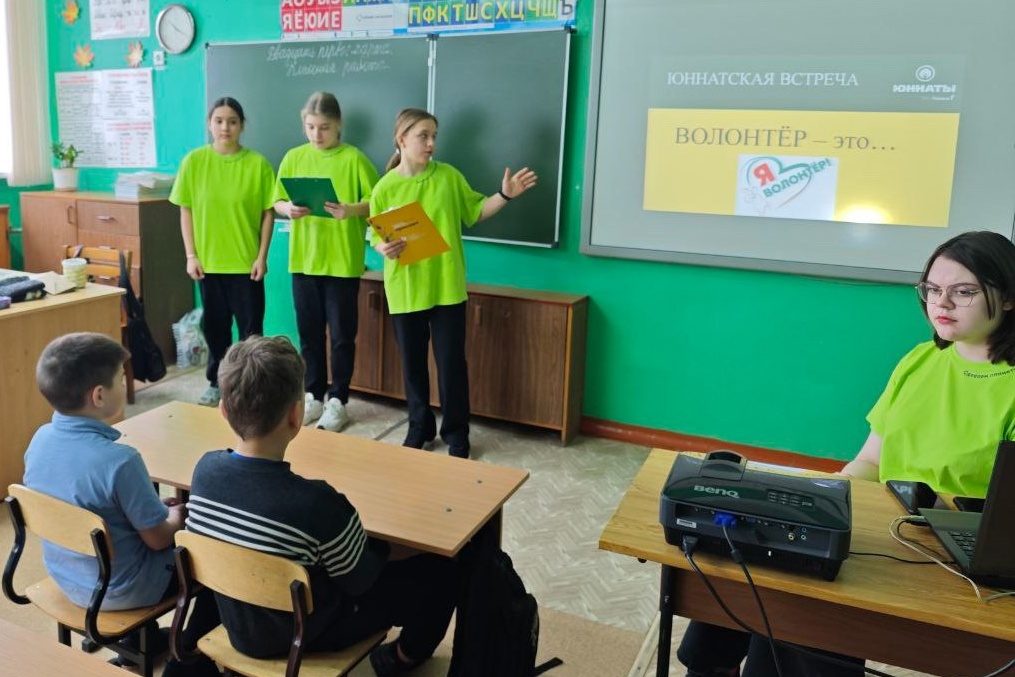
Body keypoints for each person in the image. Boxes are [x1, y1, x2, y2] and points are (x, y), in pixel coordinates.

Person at [678, 230, 1015, 677]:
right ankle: (707, 667)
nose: (942, 303)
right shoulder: (921, 360)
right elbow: (871, 461)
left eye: (963, 292)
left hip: (950, 556)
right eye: (933, 289)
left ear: (1008, 297)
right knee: (760, 551)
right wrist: (817, 501)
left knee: (799, 603)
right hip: (889, 527)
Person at [185, 335, 458, 676]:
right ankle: (402, 658)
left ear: (224, 411)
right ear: (296, 415)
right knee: (442, 569)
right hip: (305, 634)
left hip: (238, 625)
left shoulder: (204, 472)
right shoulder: (317, 503)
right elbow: (360, 580)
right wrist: (385, 545)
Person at [22, 333, 220, 676]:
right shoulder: (121, 461)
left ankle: (142, 644)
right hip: (124, 589)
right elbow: (159, 539)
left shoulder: (38, 440)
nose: (124, 383)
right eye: (120, 378)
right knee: (216, 560)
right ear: (99, 395)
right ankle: (188, 651)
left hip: (66, 574)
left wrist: (153, 513)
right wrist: (175, 516)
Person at [370, 108, 537, 458]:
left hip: (446, 287)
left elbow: (476, 211)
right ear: (402, 139)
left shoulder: (448, 177)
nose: (431, 143)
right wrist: (383, 247)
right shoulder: (385, 186)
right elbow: (375, 235)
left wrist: (504, 195)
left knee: (451, 366)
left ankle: (457, 433)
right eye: (423, 136)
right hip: (405, 288)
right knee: (413, 366)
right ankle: (419, 427)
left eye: (434, 136)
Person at [272, 91, 379, 432]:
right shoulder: (294, 157)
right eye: (311, 127)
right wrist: (288, 209)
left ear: (339, 125)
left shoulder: (354, 159)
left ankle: (339, 399)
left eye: (324, 127)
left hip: (342, 262)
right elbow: (277, 200)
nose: (317, 134)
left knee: (342, 336)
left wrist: (350, 209)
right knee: (309, 334)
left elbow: (378, 201)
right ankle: (313, 394)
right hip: (304, 260)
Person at [170, 96, 276, 408]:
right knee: (215, 329)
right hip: (209, 264)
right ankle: (217, 382)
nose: (225, 127)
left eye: (232, 121)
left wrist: (262, 257)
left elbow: (268, 212)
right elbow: (186, 210)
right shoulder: (194, 162)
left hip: (246, 264)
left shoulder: (257, 164)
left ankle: (252, 386)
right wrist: (191, 255)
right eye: (218, 121)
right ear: (209, 124)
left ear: (242, 126)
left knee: (251, 332)